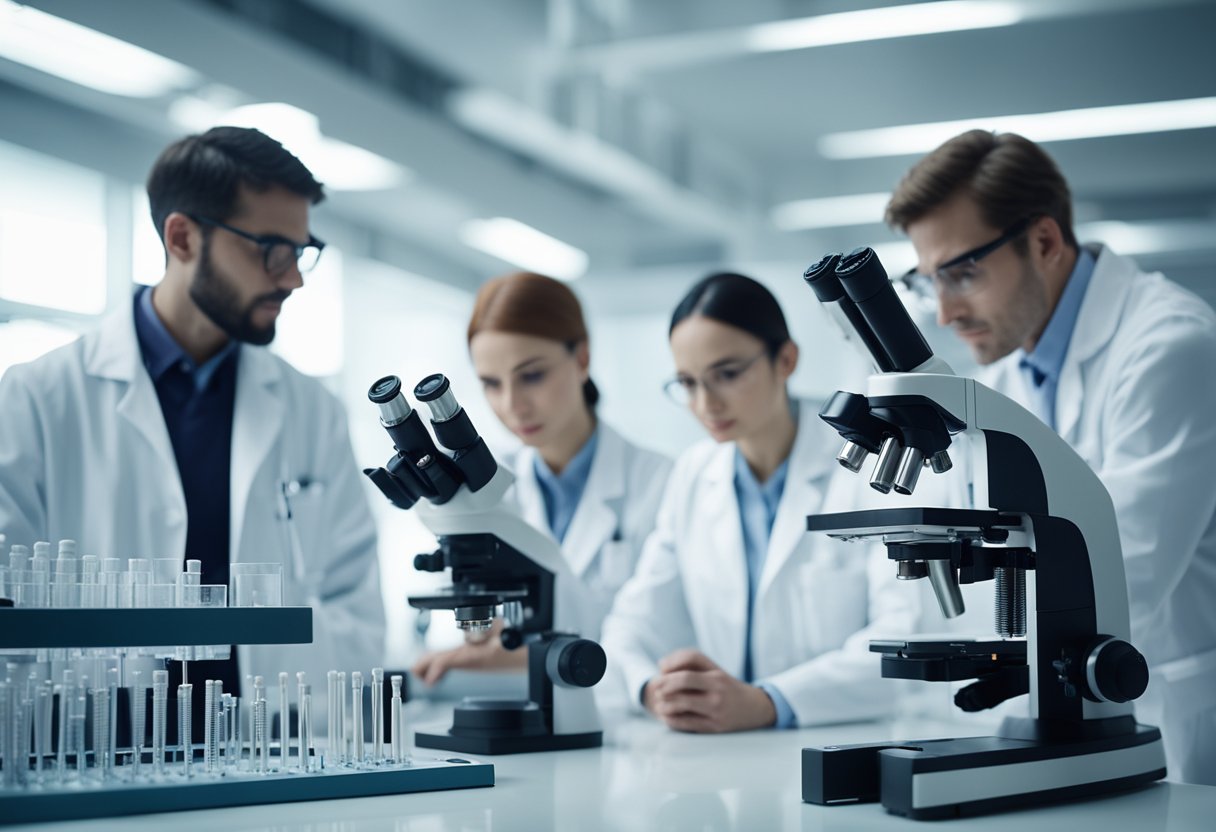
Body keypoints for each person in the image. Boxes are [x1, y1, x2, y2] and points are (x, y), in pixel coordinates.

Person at [0, 127, 384, 737]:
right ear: (182, 237)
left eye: (302, 251)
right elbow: (8, 619)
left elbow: (355, 607)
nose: (293, 280)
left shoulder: (313, 410)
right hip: (89, 752)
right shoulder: (34, 400)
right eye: (270, 249)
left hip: (271, 752)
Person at [884, 129, 1216, 785]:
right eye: (927, 282)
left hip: (1181, 730)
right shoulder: (1012, 373)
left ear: (1043, 242)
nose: (945, 312)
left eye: (962, 272)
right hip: (1079, 709)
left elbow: (1123, 572)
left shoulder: (1169, 348)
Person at [600, 273, 914, 732]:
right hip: (728, 753)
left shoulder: (869, 465)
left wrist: (768, 702)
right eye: (688, 383)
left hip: (845, 741)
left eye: (726, 374)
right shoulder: (692, 474)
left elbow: (903, 638)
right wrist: (653, 689)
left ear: (785, 359)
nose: (706, 403)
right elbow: (630, 624)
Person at [412, 271, 671, 686]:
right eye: (491, 384)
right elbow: (470, 633)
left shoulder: (662, 483)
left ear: (582, 359)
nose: (512, 404)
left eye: (531, 375)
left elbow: (660, 642)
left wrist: (524, 656)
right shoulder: (488, 490)